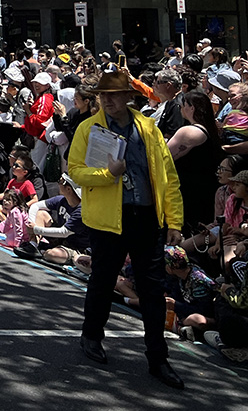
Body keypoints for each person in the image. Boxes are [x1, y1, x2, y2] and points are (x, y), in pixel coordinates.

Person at [68, 68, 185, 389]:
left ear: (127, 97)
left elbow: (167, 176)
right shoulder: (87, 129)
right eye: (103, 96)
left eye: (114, 95)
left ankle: (158, 358)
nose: (107, 101)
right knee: (103, 281)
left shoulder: (148, 128)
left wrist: (174, 221)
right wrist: (107, 173)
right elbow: (76, 171)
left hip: (146, 218)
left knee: (152, 290)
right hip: (107, 220)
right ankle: (91, 336)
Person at [167, 90, 221, 236]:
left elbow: (165, 157)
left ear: (192, 108)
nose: (180, 108)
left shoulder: (189, 132)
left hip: (188, 192)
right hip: (204, 191)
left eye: (183, 105)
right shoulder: (211, 130)